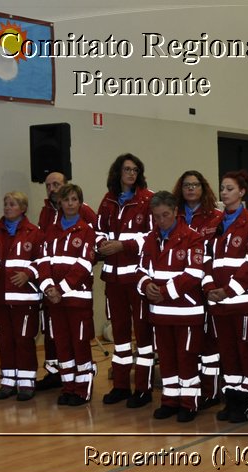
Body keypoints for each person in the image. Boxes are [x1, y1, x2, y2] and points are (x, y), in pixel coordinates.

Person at [202, 170, 248, 423]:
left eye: (230, 189)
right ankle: (233, 398)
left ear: (241, 192)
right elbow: (206, 259)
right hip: (219, 302)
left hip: (243, 302)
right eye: (222, 188)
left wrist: (229, 290)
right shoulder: (215, 223)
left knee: (246, 350)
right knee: (227, 351)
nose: (224, 193)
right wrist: (209, 288)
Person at [137, 191, 208, 422]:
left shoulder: (192, 237)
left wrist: (164, 292)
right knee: (166, 359)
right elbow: (140, 270)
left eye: (165, 215)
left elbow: (194, 274)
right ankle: (169, 400)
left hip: (186, 313)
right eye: (156, 216)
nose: (161, 220)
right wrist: (146, 286)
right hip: (159, 314)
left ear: (176, 212)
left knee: (186, 358)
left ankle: (188, 403)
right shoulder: (150, 238)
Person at [96, 153, 156, 408]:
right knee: (119, 335)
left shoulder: (147, 199)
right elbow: (98, 230)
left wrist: (123, 244)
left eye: (135, 170)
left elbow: (153, 235)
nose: (131, 174)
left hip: (137, 278)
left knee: (143, 335)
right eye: (127, 169)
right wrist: (101, 245)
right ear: (117, 173)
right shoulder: (108, 200)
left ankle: (143, 388)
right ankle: (120, 385)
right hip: (113, 279)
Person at [0, 192, 44, 401]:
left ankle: (26, 384)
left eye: (12, 204)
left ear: (23, 208)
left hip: (24, 299)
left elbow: (44, 260)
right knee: (3, 340)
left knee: (24, 340)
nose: (7, 207)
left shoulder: (35, 233)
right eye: (5, 204)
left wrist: (28, 274)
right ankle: (8, 382)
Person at [36, 183, 99, 406]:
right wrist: (48, 287)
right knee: (62, 344)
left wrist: (60, 289)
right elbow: (42, 261)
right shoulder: (50, 231)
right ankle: (68, 387)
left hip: (77, 299)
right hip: (54, 300)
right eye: (66, 200)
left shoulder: (87, 231)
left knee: (79, 344)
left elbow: (83, 265)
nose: (70, 204)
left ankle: (82, 390)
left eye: (74, 199)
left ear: (80, 203)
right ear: (59, 203)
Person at [174, 171, 223, 410]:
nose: (191, 189)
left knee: (210, 342)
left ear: (203, 188)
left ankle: (211, 391)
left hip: (208, 284)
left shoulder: (216, 216)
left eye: (195, 184)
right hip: (183, 288)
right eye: (186, 185)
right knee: (189, 345)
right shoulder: (175, 215)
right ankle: (189, 391)